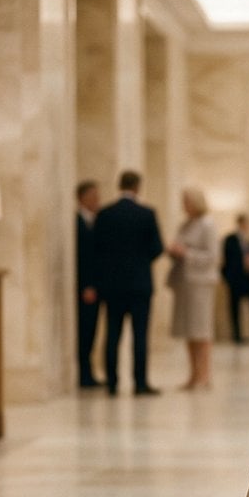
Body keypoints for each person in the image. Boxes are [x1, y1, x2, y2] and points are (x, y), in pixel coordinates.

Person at [93, 170, 164, 397]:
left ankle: (112, 382)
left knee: (112, 334)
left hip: (112, 285)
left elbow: (97, 249)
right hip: (139, 284)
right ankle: (140, 382)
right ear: (137, 187)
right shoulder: (146, 214)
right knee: (139, 336)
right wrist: (140, 261)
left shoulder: (105, 214)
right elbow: (157, 248)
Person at [166, 187, 220, 389]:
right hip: (185, 283)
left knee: (201, 330)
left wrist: (186, 253)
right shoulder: (186, 224)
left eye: (187, 201)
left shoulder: (208, 225)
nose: (184, 206)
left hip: (201, 284)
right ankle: (193, 374)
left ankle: (205, 375)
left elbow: (212, 256)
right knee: (189, 331)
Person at [75, 179, 103, 388]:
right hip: (86, 287)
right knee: (84, 331)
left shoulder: (95, 221)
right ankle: (83, 374)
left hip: (96, 285)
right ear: (82, 198)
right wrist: (88, 285)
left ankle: (89, 373)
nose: (97, 200)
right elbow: (83, 258)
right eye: (93, 196)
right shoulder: (77, 222)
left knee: (92, 331)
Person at [221, 212, 249, 344]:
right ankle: (236, 334)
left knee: (247, 306)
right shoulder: (230, 239)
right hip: (235, 278)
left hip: (247, 278)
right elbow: (227, 259)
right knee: (234, 307)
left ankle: (246, 333)